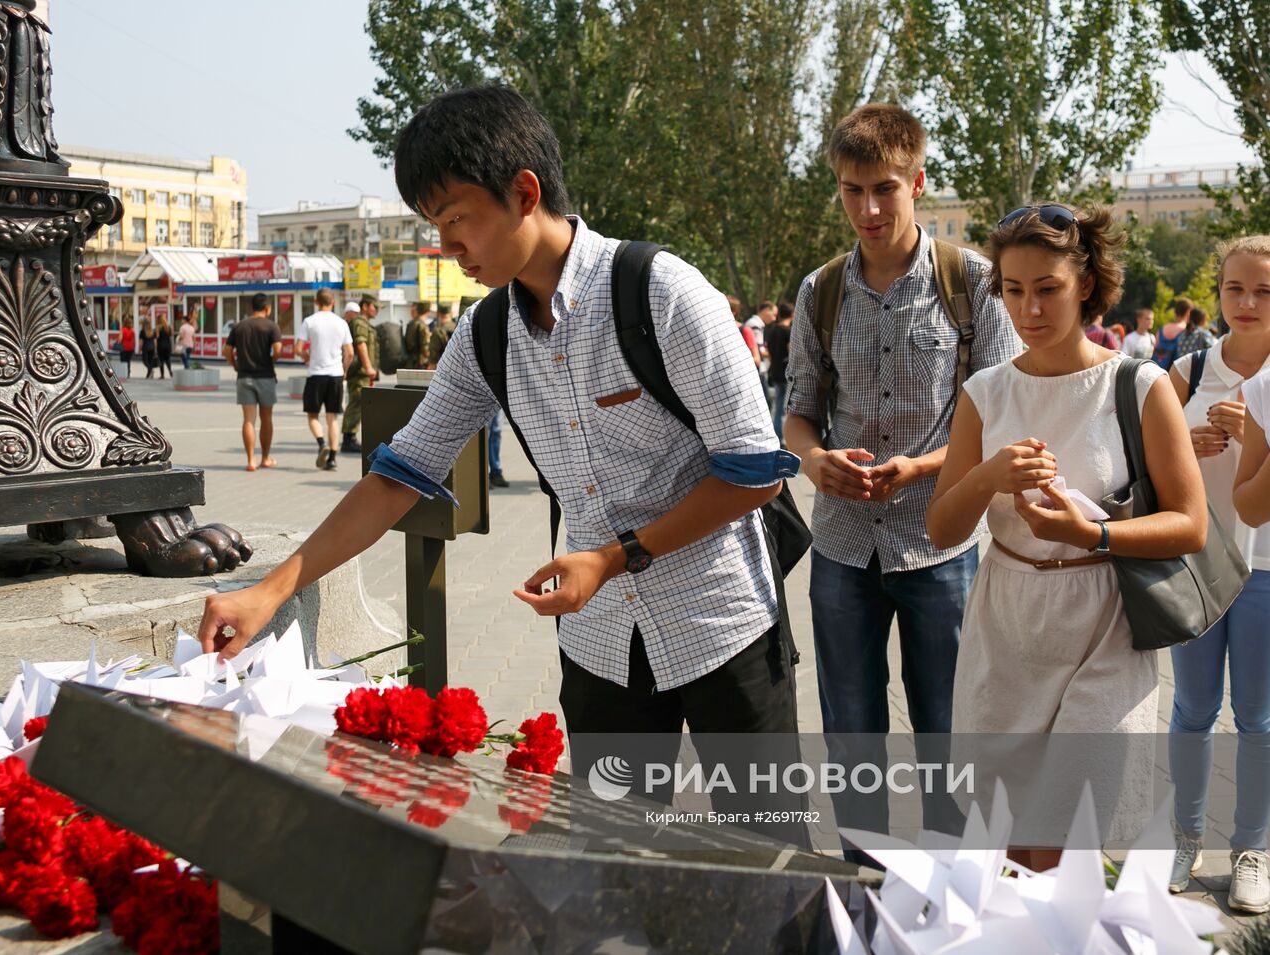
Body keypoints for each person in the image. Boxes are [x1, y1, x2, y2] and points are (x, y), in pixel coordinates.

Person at [199, 86, 807, 843]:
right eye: (436, 227)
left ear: (524, 192)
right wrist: (269, 591)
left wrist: (617, 557)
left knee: (772, 860)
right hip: (600, 647)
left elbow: (756, 473)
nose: (449, 249)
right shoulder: (488, 335)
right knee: (615, 855)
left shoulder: (661, 293)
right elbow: (398, 476)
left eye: (457, 220)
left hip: (723, 625)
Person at [926, 203, 1205, 869]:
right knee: (1006, 844)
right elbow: (942, 529)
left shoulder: (1140, 384)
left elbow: (1190, 523)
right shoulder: (985, 392)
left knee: (1061, 843)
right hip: (1008, 625)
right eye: (1014, 290)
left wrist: (1094, 533)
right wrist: (989, 473)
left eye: (1046, 288)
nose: (1028, 310)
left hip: (1105, 624)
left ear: (1084, 283)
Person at [784, 104, 1022, 855]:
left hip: (941, 546)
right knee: (851, 735)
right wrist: (815, 462)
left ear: (918, 181)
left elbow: (1004, 418)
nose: (869, 208)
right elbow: (795, 415)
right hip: (842, 547)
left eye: (884, 188)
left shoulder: (974, 282)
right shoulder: (819, 290)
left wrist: (919, 467)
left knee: (949, 734)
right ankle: (864, 894)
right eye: (852, 191)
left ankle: (954, 892)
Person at [1172, 235, 1270, 910]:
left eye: (1264, 291)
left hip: (1265, 564)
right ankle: (1183, 837)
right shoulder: (1188, 369)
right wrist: (1186, 440)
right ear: (1218, 293)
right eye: (1236, 288)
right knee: (1192, 710)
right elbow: (1144, 466)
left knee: (1259, 718)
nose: (1248, 302)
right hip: (1199, 562)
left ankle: (1252, 850)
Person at [296, 288, 355, 471]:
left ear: (316, 301)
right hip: (335, 375)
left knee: (313, 415)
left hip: (315, 374)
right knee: (333, 418)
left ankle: (322, 444)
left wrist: (306, 357)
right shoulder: (341, 323)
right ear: (333, 302)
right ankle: (332, 459)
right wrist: (344, 370)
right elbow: (350, 353)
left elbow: (298, 348)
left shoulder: (310, 321)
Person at [224, 292, 283, 472]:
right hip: (265, 376)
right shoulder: (272, 327)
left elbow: (226, 352)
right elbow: (278, 350)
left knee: (248, 419)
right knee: (266, 418)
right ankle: (265, 458)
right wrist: (270, 361)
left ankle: (251, 460)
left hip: (244, 377)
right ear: (267, 308)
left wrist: (236, 365)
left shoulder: (239, 326)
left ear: (251, 308)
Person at [339, 295, 380, 454]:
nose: (376, 310)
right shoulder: (359, 323)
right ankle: (348, 440)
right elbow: (361, 344)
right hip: (360, 372)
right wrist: (369, 368)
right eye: (374, 306)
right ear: (364, 306)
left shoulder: (364, 323)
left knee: (359, 403)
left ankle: (351, 438)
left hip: (364, 373)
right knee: (356, 403)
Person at [764, 301, 793, 438]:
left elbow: (768, 350)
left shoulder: (772, 330)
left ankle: (777, 434)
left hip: (774, 371)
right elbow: (792, 352)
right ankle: (781, 437)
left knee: (778, 405)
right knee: (784, 408)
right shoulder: (788, 331)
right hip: (786, 373)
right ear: (792, 314)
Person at [1153, 298, 1193, 369]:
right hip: (1175, 371)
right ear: (1188, 311)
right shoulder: (1187, 331)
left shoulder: (1162, 329)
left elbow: (1155, 348)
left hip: (1157, 369)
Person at [404, 301, 434, 369]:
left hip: (410, 363)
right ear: (428, 311)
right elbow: (426, 349)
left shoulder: (411, 323)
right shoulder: (422, 326)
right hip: (420, 364)